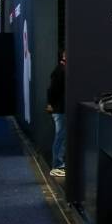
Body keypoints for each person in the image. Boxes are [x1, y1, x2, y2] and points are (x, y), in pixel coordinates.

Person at [46, 50, 66, 178]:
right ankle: (57, 166)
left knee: (62, 137)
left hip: (61, 109)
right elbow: (52, 90)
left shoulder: (62, 70)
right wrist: (50, 104)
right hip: (60, 110)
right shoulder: (60, 71)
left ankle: (59, 165)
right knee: (60, 137)